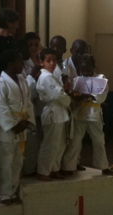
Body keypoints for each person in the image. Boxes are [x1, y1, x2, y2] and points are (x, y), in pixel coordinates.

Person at [0, 49, 35, 205]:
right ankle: (4, 194)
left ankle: (13, 190)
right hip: (7, 130)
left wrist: (28, 120)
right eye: (19, 61)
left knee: (17, 162)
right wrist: (13, 126)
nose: (22, 64)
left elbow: (28, 103)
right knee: (5, 162)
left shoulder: (22, 80)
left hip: (21, 126)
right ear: (10, 64)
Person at [62, 54, 113, 176]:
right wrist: (76, 96)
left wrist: (88, 96)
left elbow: (102, 97)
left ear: (93, 68)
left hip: (94, 113)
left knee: (98, 140)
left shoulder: (101, 78)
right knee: (75, 140)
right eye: (83, 70)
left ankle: (103, 166)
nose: (85, 72)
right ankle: (69, 166)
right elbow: (73, 94)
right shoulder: (77, 79)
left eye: (88, 70)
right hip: (80, 112)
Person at [36, 48, 71, 181]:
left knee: (60, 144)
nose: (51, 63)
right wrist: (69, 99)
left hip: (59, 111)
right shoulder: (45, 76)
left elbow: (59, 92)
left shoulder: (51, 76)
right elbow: (58, 94)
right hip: (52, 110)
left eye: (53, 60)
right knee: (50, 144)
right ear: (41, 62)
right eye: (48, 60)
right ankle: (43, 171)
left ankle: (54, 168)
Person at [63, 39, 87, 171]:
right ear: (72, 50)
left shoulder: (86, 64)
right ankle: (66, 165)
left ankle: (76, 161)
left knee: (78, 136)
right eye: (77, 52)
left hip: (80, 104)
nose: (80, 55)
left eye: (83, 52)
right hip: (68, 103)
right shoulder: (64, 65)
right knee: (68, 137)